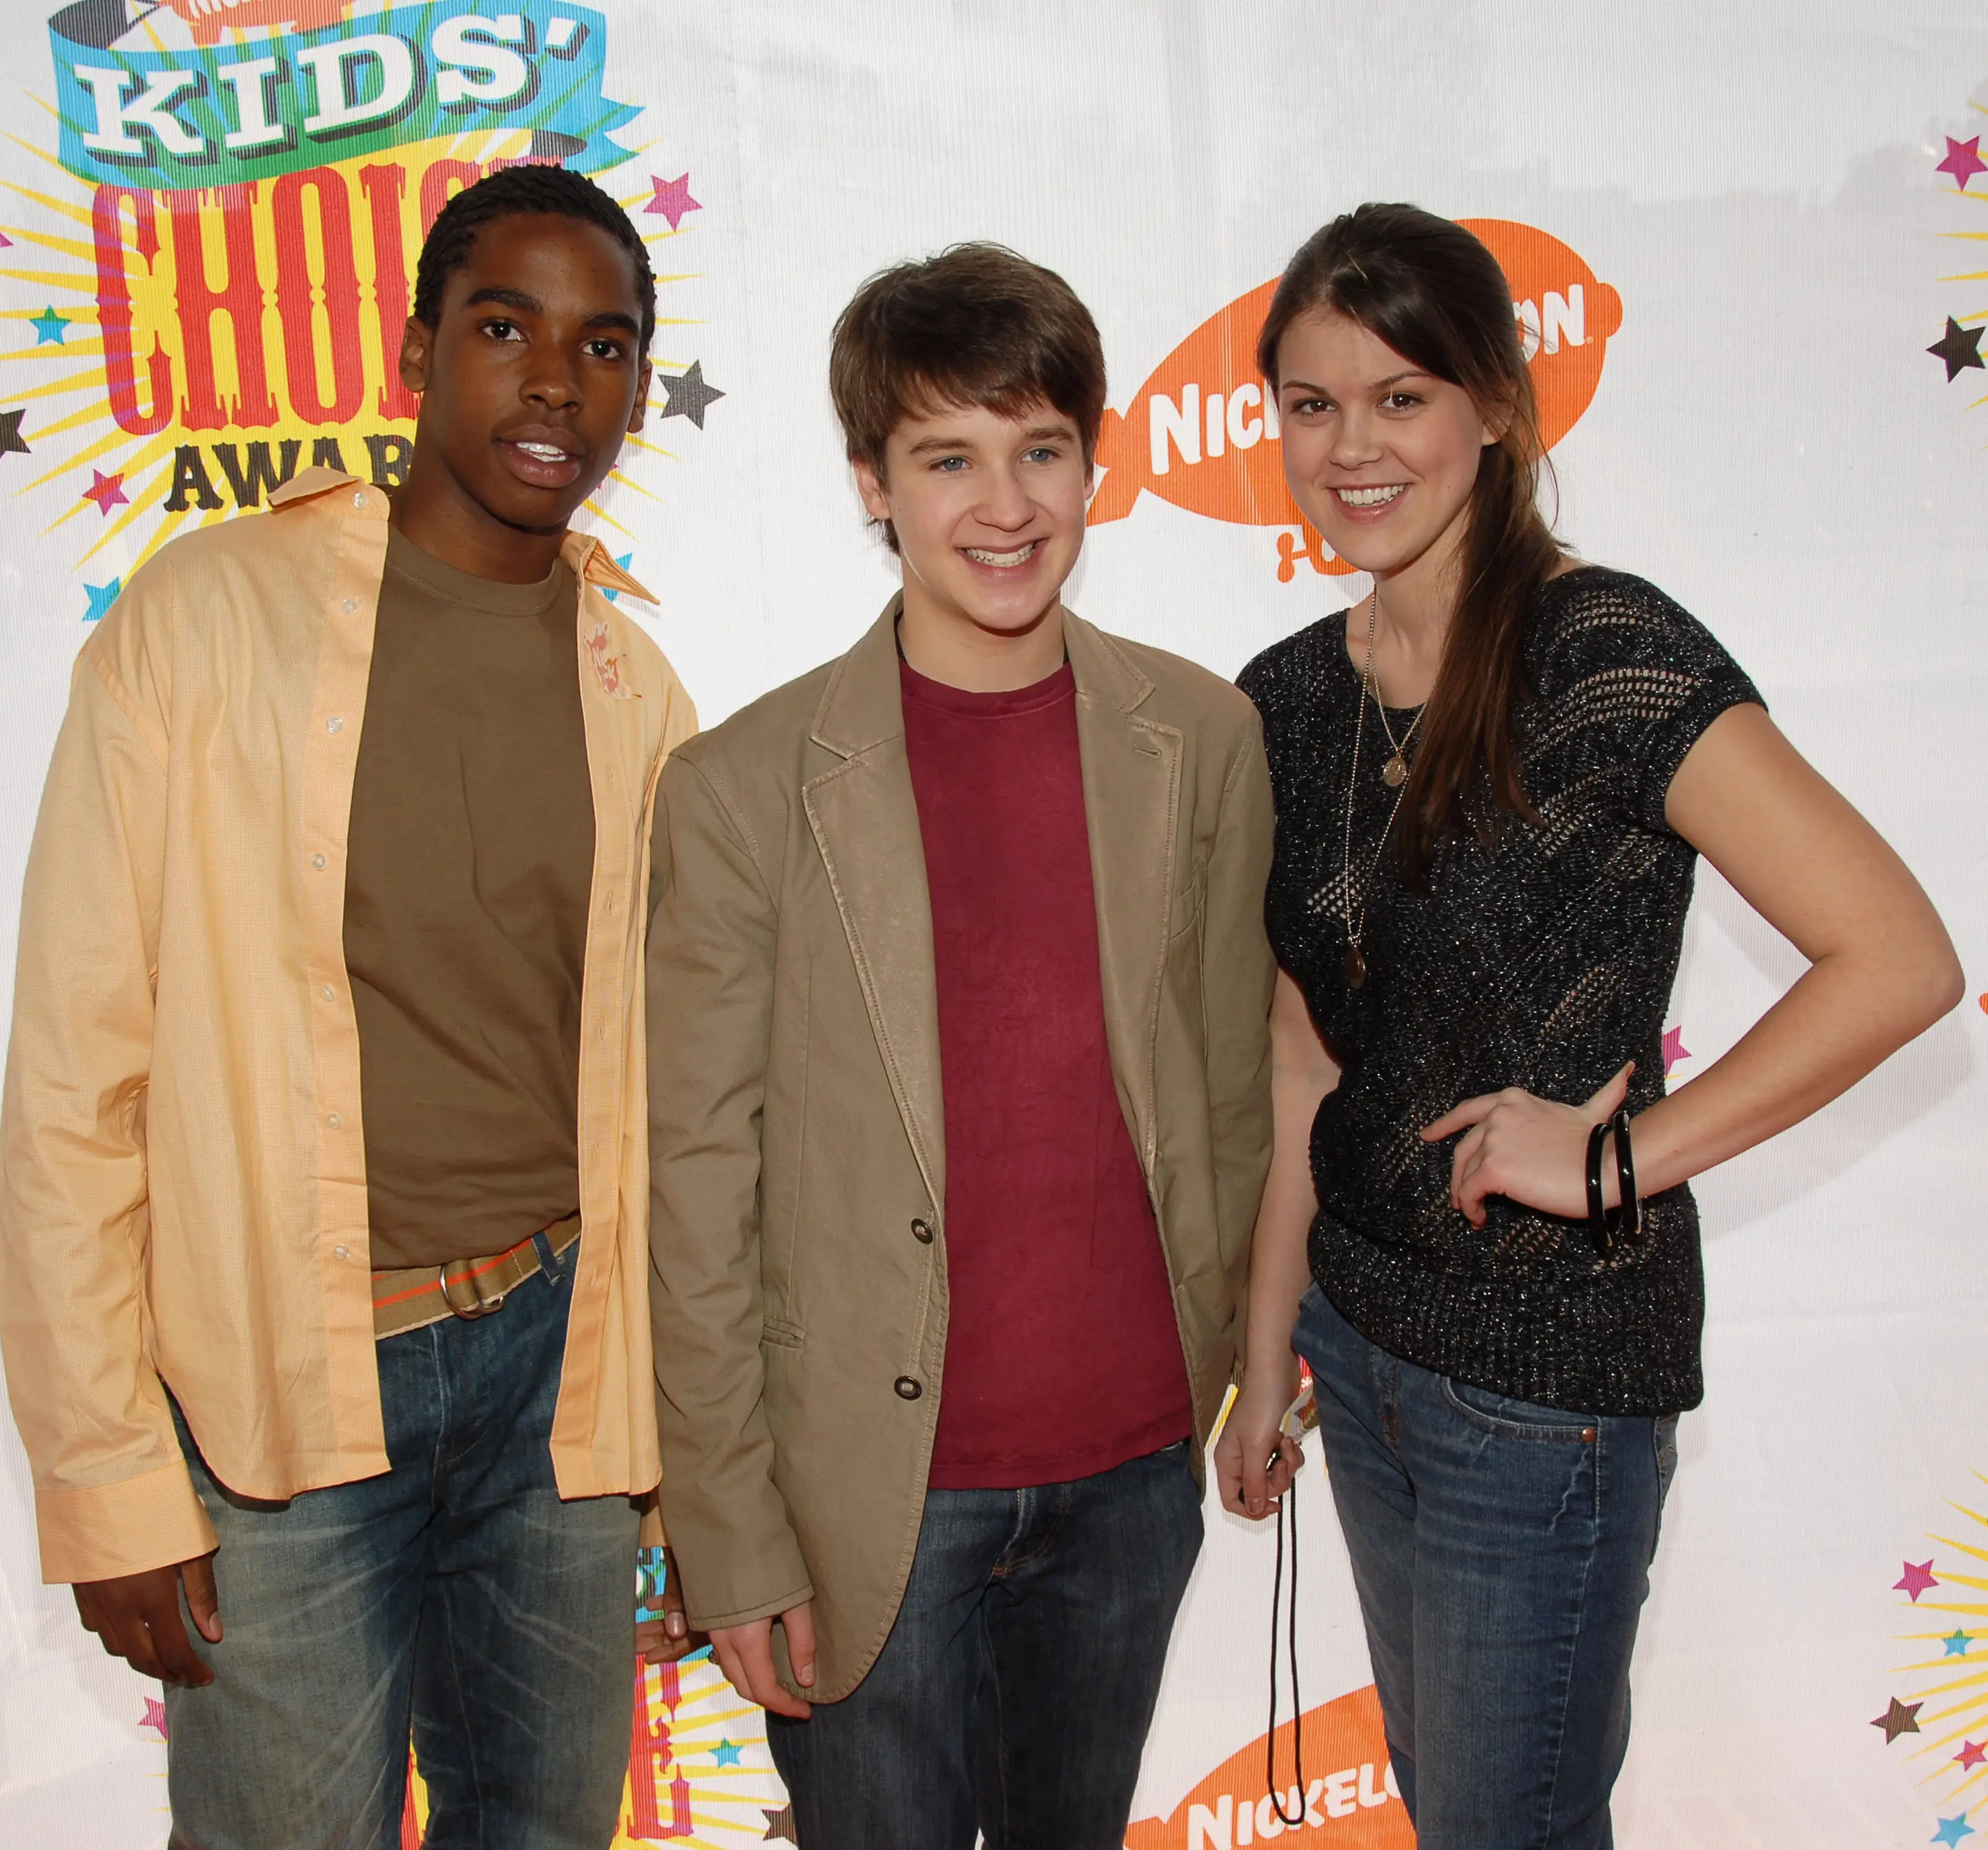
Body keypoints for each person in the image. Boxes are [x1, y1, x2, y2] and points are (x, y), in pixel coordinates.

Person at [1214, 201, 1963, 1849]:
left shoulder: (1603, 654)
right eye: (1313, 404)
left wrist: (1619, 1158)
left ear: (1495, 403)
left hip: (1545, 1386)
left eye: (1401, 396)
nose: (1351, 448)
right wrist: (1267, 1353)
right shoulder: (1284, 698)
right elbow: (1300, 1059)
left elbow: (1900, 956)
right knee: (1453, 1812)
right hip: (1361, 1342)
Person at [0, 164, 699, 1850]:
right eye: (506, 327)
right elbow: (77, 1074)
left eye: (604, 346)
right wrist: (107, 1474)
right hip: (282, 1399)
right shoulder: (203, 621)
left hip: (557, 1386)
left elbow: (669, 1099)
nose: (557, 382)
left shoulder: (641, 692)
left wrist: (686, 1441)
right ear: (414, 350)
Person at [645, 242, 1277, 1846]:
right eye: (947, 459)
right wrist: (732, 1528)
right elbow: (697, 1184)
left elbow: (1234, 1090)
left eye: (1040, 449)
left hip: (1131, 1468)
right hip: (863, 1497)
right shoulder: (742, 787)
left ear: (1094, 461)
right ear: (871, 480)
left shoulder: (1203, 739)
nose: (1005, 505)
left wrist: (1230, 1366)